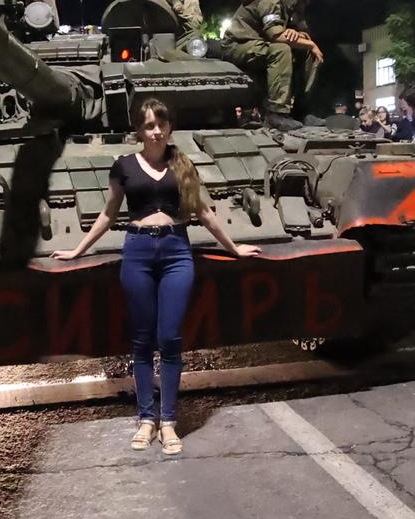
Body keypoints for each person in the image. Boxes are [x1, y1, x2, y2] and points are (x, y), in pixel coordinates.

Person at [51, 98, 259, 454]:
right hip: (138, 252)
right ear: (139, 130)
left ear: (170, 127)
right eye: (149, 125)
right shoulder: (124, 166)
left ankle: (168, 421)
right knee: (143, 340)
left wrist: (234, 248)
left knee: (170, 338)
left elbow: (205, 213)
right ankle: (146, 419)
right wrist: (77, 250)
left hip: (177, 252)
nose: (156, 131)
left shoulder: (183, 164)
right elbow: (108, 214)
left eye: (161, 124)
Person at [221, 0, 323, 127]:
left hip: (262, 45)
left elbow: (302, 32)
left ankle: (302, 111)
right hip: (239, 44)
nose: (309, 1)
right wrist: (309, 43)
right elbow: (275, 35)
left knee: (309, 53)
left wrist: (300, 37)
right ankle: (276, 114)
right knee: (281, 50)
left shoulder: (294, 4)